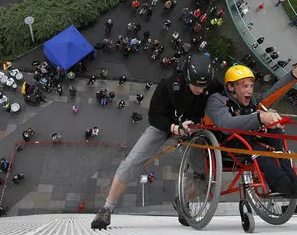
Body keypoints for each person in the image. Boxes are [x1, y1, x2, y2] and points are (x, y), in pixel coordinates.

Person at [91, 54, 221, 229]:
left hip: (193, 128)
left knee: (205, 176)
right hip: (165, 123)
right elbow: (154, 116)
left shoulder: (211, 85)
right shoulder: (168, 85)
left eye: (204, 86)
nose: (200, 90)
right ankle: (107, 208)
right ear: (186, 77)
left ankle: (183, 201)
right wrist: (173, 128)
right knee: (132, 162)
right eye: (196, 86)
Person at [205, 42, 297, 196]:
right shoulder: (217, 100)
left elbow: (275, 92)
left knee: (276, 129)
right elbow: (226, 124)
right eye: (244, 86)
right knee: (257, 149)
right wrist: (259, 117)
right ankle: (279, 181)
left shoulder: (253, 101)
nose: (249, 90)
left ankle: (290, 175)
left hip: (253, 138)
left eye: (251, 86)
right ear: (231, 87)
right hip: (229, 141)